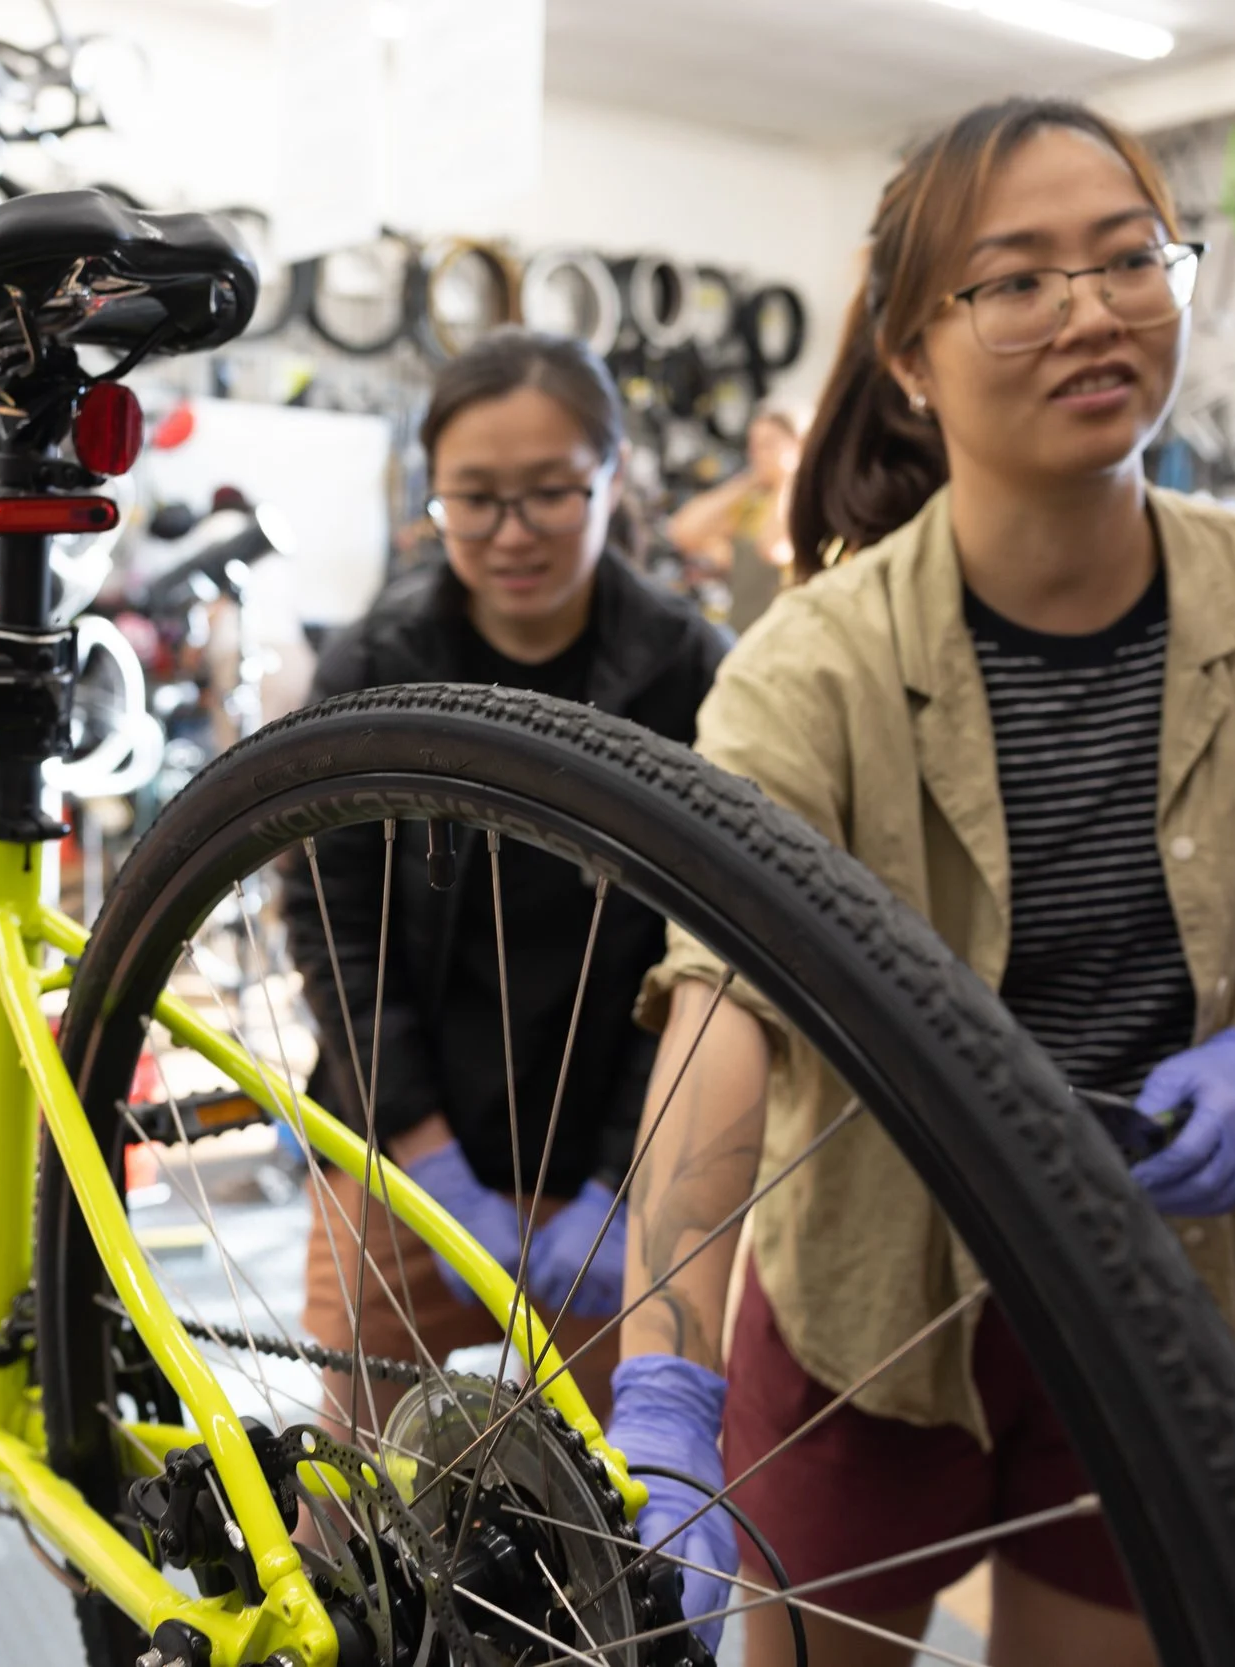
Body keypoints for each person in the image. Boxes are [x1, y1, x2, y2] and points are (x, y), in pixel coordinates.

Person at [605, 99, 1235, 1666]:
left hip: (1156, 1285)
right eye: (1016, 279)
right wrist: (667, 1364)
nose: (1091, 311)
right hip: (866, 1295)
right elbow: (725, 993)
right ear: (912, 358)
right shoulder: (817, 660)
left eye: (1132, 259)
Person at [285, 328, 729, 1429]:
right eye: (472, 499)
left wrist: (625, 1181)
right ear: (429, 490)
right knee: (347, 1502)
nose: (510, 533)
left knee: (601, 1525)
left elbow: (704, 950)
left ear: (612, 476)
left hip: (611, 1166)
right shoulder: (373, 666)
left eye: (549, 495)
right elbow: (332, 928)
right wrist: (428, 1159)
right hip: (403, 1148)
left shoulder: (697, 672)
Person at [666, 403, 802, 632]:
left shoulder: (810, 500)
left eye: (768, 444)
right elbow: (683, 531)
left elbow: (774, 548)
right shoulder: (752, 505)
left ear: (798, 443)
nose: (758, 454)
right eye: (753, 446)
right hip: (746, 634)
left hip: (790, 635)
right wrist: (749, 480)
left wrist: (786, 480)